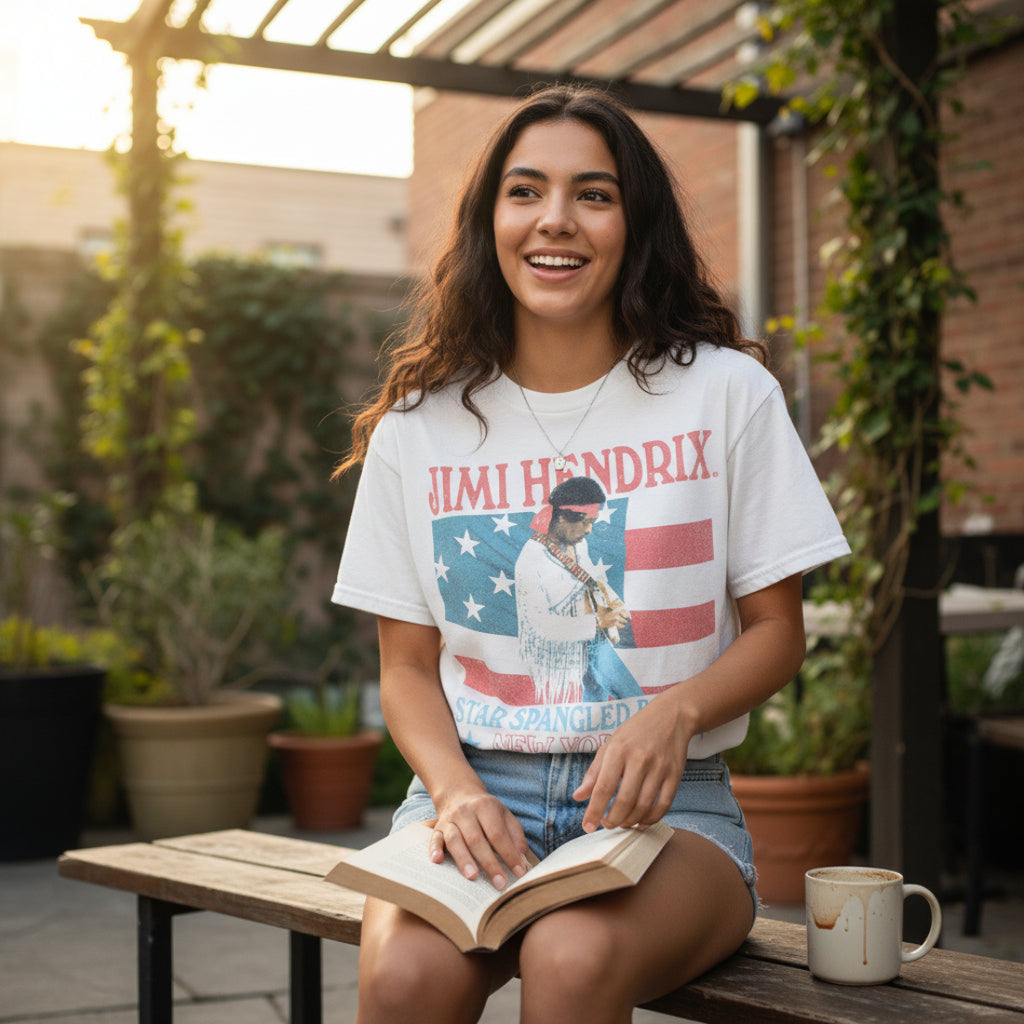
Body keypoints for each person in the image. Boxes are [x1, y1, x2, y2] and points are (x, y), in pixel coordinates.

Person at [332, 84, 849, 1024]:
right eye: (525, 191)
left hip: (669, 809)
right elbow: (404, 668)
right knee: (405, 980)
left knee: (571, 956)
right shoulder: (420, 426)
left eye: (594, 194)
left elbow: (778, 633)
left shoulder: (726, 395)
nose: (555, 220)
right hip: (475, 790)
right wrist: (451, 794)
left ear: (633, 220)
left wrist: (676, 713)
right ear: (490, 218)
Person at [514, 475, 636, 704]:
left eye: (592, 522)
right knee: (586, 717)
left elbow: (593, 579)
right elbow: (539, 626)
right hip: (560, 660)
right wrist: (598, 621)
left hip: (595, 645)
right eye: (585, 522)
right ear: (562, 517)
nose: (589, 530)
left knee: (633, 700)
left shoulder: (578, 543)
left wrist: (614, 603)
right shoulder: (530, 560)